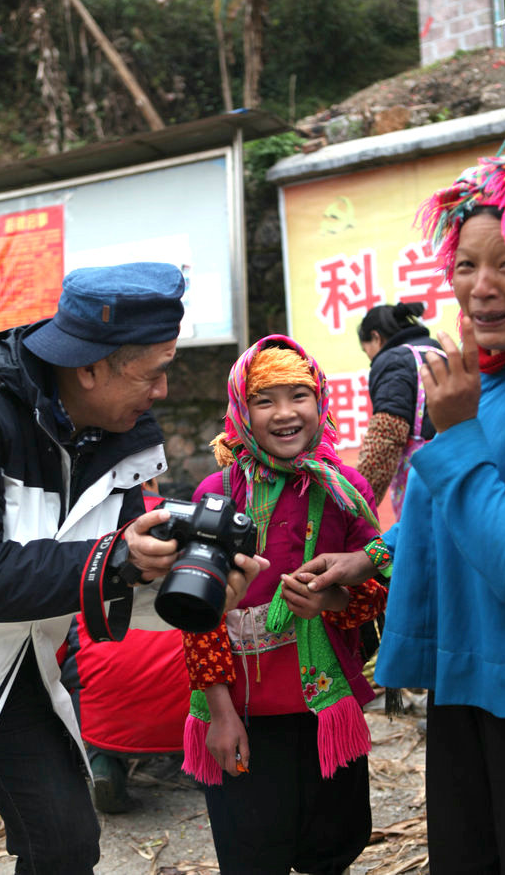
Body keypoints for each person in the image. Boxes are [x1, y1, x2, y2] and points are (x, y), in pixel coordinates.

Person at [0, 261, 263, 874]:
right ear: (88, 367)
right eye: (156, 372)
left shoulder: (122, 434)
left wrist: (195, 590)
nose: (163, 391)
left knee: (64, 844)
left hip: (10, 664)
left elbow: (112, 581)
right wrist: (115, 560)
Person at [297, 150, 505, 874]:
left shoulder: (468, 402)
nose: (480, 288)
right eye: (465, 265)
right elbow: (438, 516)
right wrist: (368, 555)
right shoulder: (475, 382)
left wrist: (458, 436)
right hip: (466, 679)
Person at [179, 333, 391, 875]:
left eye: (298, 395)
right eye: (264, 399)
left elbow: (379, 578)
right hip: (243, 711)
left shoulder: (344, 488)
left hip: (321, 707)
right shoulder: (218, 492)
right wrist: (221, 715)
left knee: (333, 842)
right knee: (253, 849)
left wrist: (330, 599)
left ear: (320, 400)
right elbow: (198, 615)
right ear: (241, 410)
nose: (284, 413)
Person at [59, 479, 191, 814]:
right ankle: (202, 761)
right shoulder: (186, 520)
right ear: (149, 479)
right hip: (191, 708)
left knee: (68, 654)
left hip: (105, 715)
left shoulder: (75, 532)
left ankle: (103, 765)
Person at [356, 301, 443, 518]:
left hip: (423, 484)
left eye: (365, 349)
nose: (369, 357)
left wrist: (356, 508)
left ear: (376, 338)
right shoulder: (438, 350)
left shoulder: (392, 361)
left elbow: (386, 437)